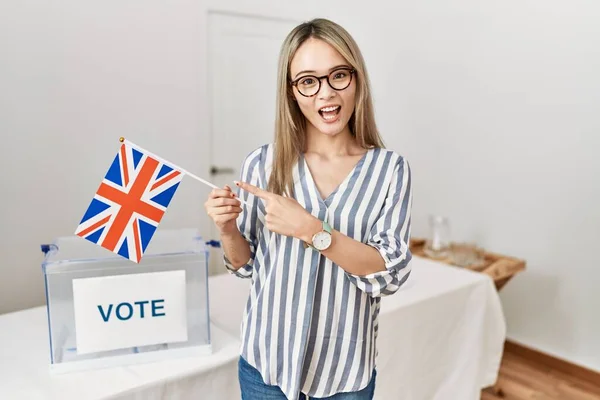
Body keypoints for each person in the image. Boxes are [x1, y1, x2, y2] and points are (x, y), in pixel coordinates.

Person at [204, 18, 413, 400]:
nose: (325, 94)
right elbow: (245, 265)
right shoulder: (263, 164)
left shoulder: (389, 170)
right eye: (308, 81)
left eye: (338, 76)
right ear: (292, 92)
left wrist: (311, 230)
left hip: (344, 373)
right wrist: (228, 229)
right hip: (265, 366)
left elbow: (390, 272)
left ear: (357, 79)